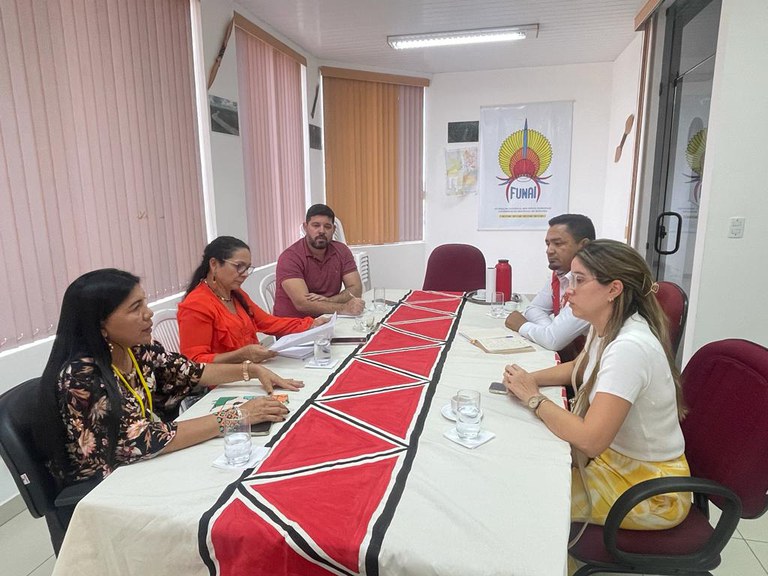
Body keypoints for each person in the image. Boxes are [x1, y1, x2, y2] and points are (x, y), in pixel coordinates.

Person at [38, 269, 302, 486]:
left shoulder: (136, 349)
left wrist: (251, 370)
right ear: (100, 324)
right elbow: (141, 440)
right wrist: (235, 416)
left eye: (145, 303)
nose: (148, 313)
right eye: (135, 307)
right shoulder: (81, 376)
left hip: (147, 461)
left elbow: (190, 371)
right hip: (109, 483)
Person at [503, 240, 690, 530]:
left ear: (614, 289)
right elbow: (579, 367)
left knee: (526, 496)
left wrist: (534, 399)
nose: (568, 291)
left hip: (651, 491)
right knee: (523, 465)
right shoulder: (608, 324)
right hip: (614, 463)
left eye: (579, 280)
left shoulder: (629, 347)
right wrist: (528, 380)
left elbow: (591, 439)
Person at [178, 236, 328, 364]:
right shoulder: (195, 305)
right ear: (214, 264)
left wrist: (310, 323)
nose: (244, 274)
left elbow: (267, 322)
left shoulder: (236, 294)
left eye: (247, 268)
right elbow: (195, 362)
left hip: (251, 371)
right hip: (222, 384)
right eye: (239, 266)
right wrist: (242, 355)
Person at [505, 214, 594, 360]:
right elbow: (534, 309)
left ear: (583, 246)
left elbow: (553, 341)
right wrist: (550, 330)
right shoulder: (560, 273)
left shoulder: (592, 284)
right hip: (574, 362)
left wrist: (522, 325)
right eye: (548, 244)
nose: (549, 250)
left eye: (558, 244)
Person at [273, 204, 365, 318]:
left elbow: (356, 289)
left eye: (327, 226)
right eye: (316, 225)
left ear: (333, 229)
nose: (321, 231)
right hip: (294, 327)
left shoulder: (342, 250)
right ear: (305, 227)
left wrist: (329, 301)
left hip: (328, 319)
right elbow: (303, 304)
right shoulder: (290, 257)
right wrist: (343, 308)